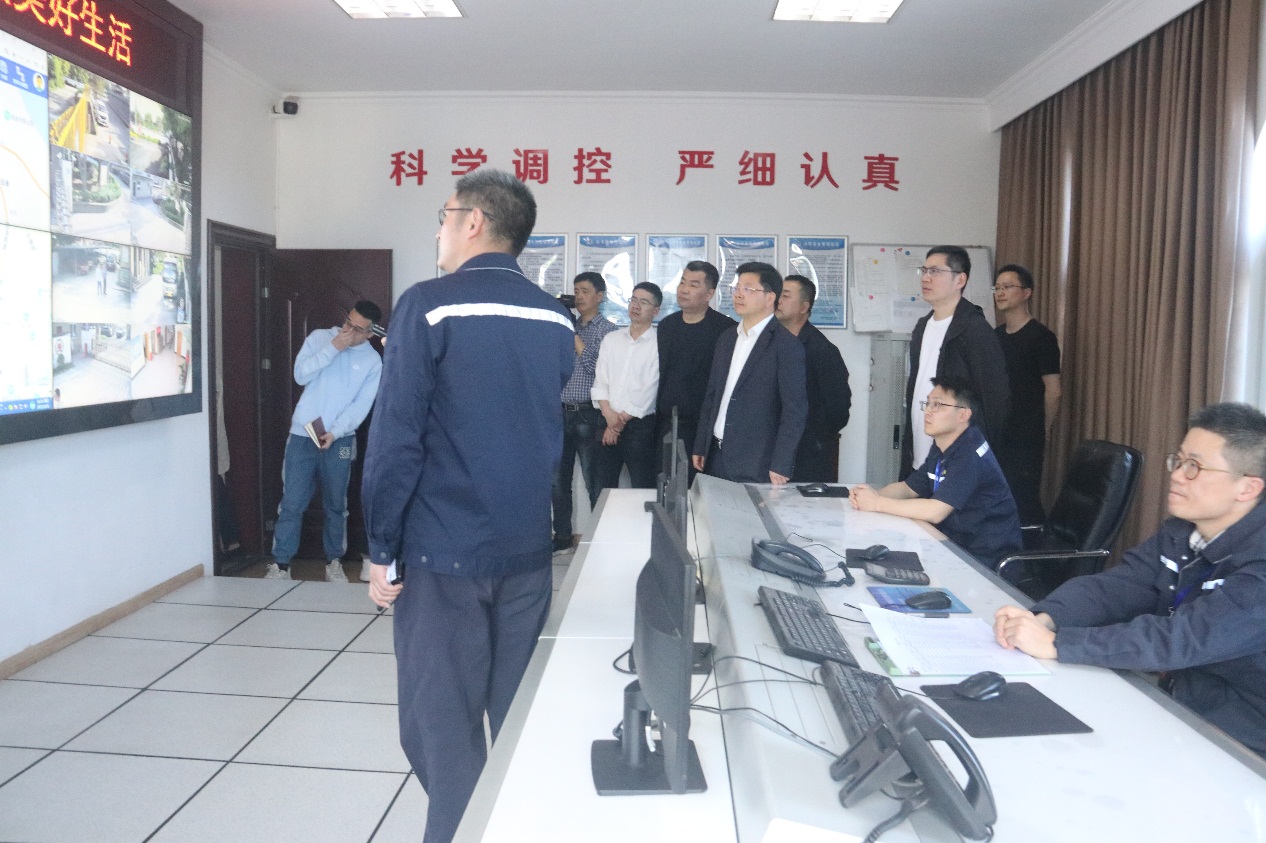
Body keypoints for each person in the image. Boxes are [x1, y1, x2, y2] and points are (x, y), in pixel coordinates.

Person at [361, 169, 574, 843]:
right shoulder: (555, 317)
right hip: (527, 554)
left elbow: (396, 438)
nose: (438, 233)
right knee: (515, 725)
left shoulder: (427, 306)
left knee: (443, 735)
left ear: (473, 222)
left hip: (442, 554)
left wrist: (380, 547)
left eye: (443, 218)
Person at [995, 403, 1266, 759]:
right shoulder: (1182, 531)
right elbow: (1115, 588)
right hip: (1184, 702)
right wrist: (1045, 618)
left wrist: (1060, 644)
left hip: (1244, 737)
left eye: (1194, 467)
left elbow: (1184, 637)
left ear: (1247, 488)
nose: (1177, 475)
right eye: (1178, 461)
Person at [264, 299, 383, 582]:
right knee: (292, 501)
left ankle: (334, 561)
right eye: (348, 322)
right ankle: (281, 564)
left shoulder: (372, 361)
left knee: (336, 504)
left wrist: (336, 432)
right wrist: (333, 347)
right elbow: (300, 375)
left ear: (370, 334)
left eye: (357, 329)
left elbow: (361, 406)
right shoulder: (320, 338)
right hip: (302, 434)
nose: (348, 330)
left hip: (339, 440)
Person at [851, 376, 1021, 568]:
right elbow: (908, 488)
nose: (928, 411)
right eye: (928, 403)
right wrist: (869, 495)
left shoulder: (970, 454)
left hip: (984, 561)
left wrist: (876, 503)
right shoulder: (944, 446)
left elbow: (936, 511)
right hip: (952, 547)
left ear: (963, 414)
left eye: (938, 405)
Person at [692, 261, 807, 485]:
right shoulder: (727, 339)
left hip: (757, 462)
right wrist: (701, 444)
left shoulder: (786, 345)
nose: (738, 294)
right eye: (737, 288)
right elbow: (713, 395)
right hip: (716, 454)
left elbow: (795, 410)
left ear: (770, 297)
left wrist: (781, 463)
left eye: (748, 289)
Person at [901, 246, 1010, 477]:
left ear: (960, 280)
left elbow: (994, 399)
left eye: (935, 271)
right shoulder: (922, 326)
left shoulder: (974, 329)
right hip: (920, 446)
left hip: (959, 456)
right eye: (924, 271)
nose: (926, 278)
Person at [552, 271, 617, 553]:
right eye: (576, 291)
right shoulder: (565, 326)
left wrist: (575, 337)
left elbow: (595, 367)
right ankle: (562, 537)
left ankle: (600, 539)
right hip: (560, 412)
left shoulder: (608, 331)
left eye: (585, 291)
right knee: (557, 482)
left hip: (589, 415)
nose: (579, 296)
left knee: (594, 481)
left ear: (599, 296)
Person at [993, 264, 1062, 523]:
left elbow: (1053, 391)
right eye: (997, 288)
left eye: (1007, 287)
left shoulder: (1041, 337)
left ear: (1026, 293)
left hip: (1026, 434)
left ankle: (1034, 546)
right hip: (997, 431)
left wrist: (1044, 428)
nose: (1000, 293)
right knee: (996, 495)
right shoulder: (996, 336)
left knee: (1022, 498)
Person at [655, 260, 736, 478]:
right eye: (682, 282)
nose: (684, 289)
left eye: (693, 284)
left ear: (709, 294)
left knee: (699, 489)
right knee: (665, 486)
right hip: (666, 424)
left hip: (703, 428)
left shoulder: (725, 330)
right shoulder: (667, 326)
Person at [776, 274, 852, 482]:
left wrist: (814, 437)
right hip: (776, 448)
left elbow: (838, 410)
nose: (778, 301)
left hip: (808, 453)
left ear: (804, 307)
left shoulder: (821, 350)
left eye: (786, 296)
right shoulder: (773, 343)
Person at [592, 281, 661, 492]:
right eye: (634, 300)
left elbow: (650, 389)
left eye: (644, 302)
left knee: (643, 489)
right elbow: (600, 380)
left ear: (656, 311)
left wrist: (618, 424)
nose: (636, 306)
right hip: (606, 419)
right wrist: (609, 415)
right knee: (603, 489)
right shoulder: (611, 339)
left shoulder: (659, 343)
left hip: (639, 427)